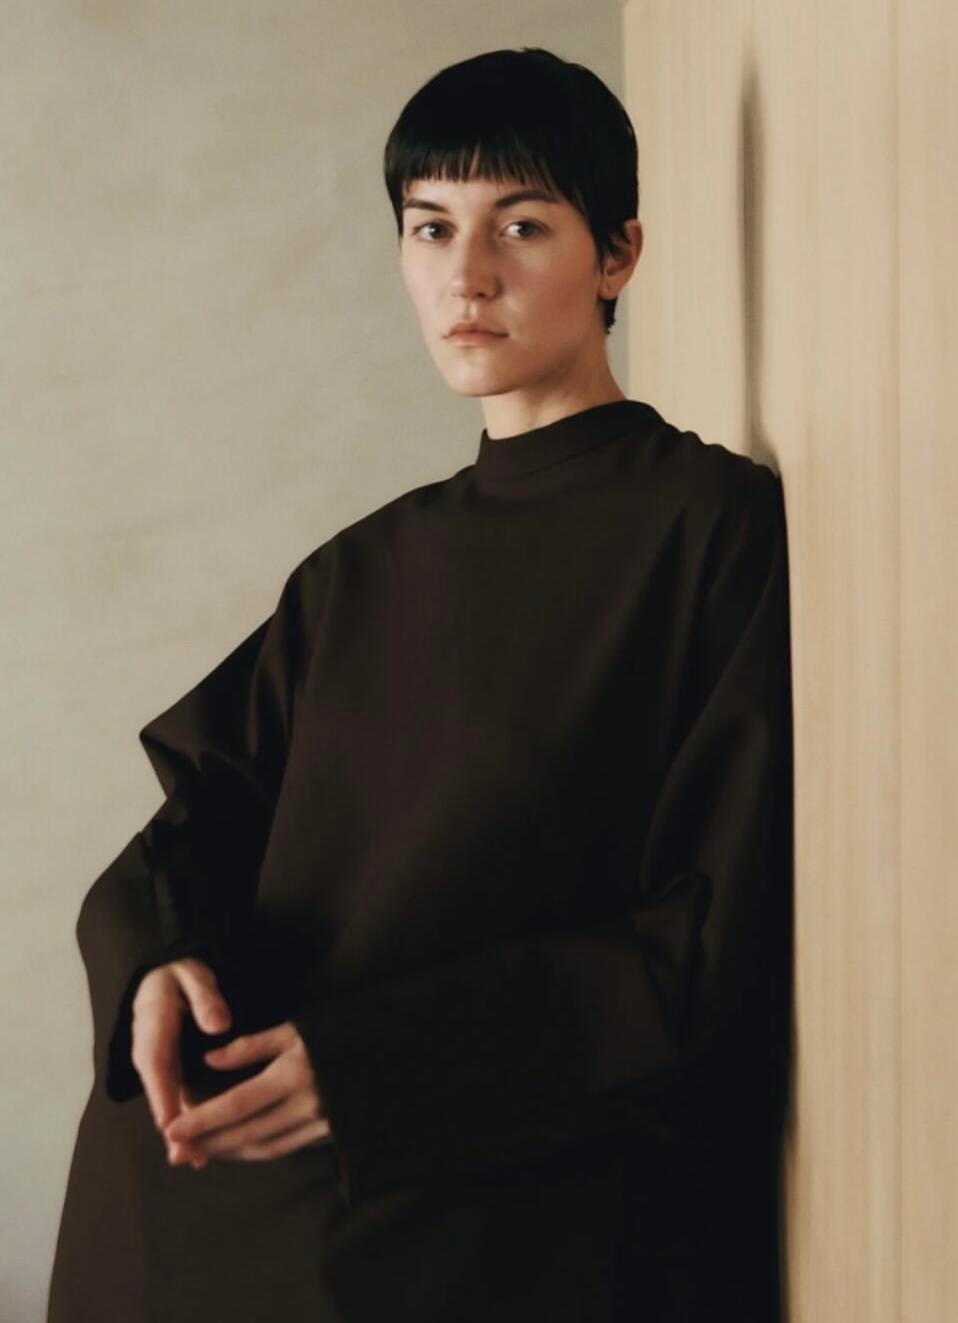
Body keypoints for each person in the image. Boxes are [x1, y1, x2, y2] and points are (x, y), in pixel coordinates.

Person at [48, 46, 793, 1323]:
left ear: (618, 256)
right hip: (221, 1162)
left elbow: (706, 938)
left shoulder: (710, 528)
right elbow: (199, 817)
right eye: (431, 227)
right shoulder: (361, 568)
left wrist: (374, 1072)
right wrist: (161, 965)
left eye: (522, 226)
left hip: (476, 1171)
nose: (467, 276)